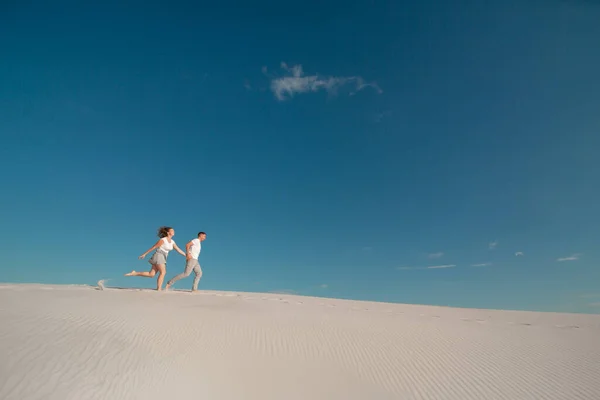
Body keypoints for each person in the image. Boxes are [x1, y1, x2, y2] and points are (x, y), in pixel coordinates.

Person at [125, 226, 186, 291]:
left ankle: (134, 273)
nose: (174, 232)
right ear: (168, 233)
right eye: (172, 231)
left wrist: (186, 255)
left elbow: (178, 249)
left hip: (163, 257)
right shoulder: (163, 240)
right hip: (159, 255)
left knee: (151, 274)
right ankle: (159, 289)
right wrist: (144, 254)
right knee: (163, 272)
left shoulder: (172, 242)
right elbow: (154, 247)